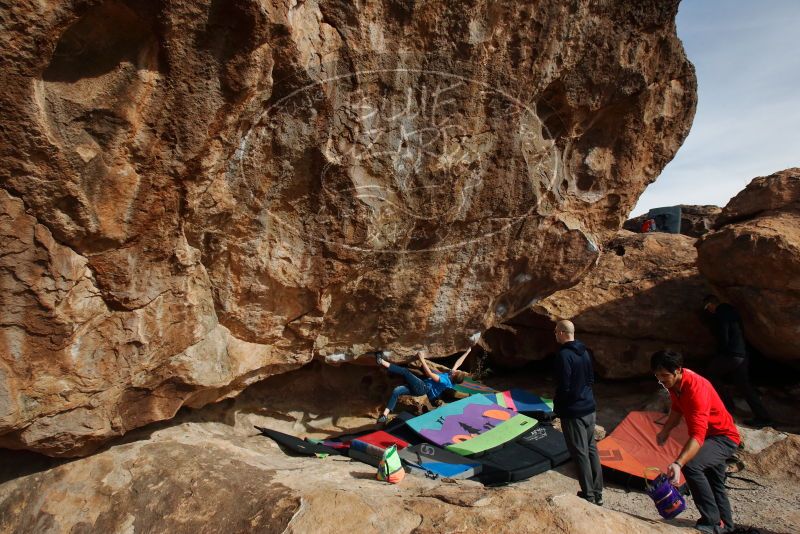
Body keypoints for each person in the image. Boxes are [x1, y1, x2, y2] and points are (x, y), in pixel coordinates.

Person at [651, 350, 741, 534]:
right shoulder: (675, 384)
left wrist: (678, 463)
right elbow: (677, 408)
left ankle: (711, 521)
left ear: (678, 370)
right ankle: (727, 526)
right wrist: (665, 430)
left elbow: (698, 436)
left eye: (665, 375)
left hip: (723, 437)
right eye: (657, 375)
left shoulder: (695, 390)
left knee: (691, 466)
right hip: (711, 437)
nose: (661, 380)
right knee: (714, 481)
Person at [553, 320, 603, 506]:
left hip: (573, 411)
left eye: (556, 331)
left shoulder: (564, 355)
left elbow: (563, 385)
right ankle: (597, 492)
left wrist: (559, 407)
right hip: (589, 407)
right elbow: (590, 379)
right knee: (591, 449)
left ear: (563, 333)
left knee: (579, 452)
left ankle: (588, 495)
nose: (555, 335)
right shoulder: (585, 352)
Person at [703, 295, 773, 428]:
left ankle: (728, 407)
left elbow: (724, 333)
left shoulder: (720, 313)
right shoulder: (733, 311)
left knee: (710, 373)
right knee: (744, 385)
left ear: (711, 304)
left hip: (732, 354)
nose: (709, 311)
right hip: (743, 354)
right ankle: (764, 417)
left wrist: (721, 352)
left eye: (707, 308)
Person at [375, 348, 470, 425]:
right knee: (397, 391)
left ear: (454, 375)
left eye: (456, 372)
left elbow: (429, 374)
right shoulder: (451, 377)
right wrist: (467, 351)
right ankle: (384, 415)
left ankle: (381, 361)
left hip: (423, 387)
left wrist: (422, 359)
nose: (455, 370)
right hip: (420, 390)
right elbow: (458, 363)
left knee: (405, 372)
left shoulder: (445, 381)